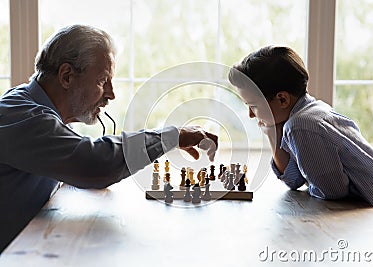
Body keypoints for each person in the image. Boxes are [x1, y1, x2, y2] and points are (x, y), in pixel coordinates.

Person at [0, 25, 218, 252]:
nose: (111, 93)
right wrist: (171, 137)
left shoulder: (29, 107)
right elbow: (94, 165)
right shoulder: (24, 117)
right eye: (103, 80)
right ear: (66, 76)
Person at [228, 45, 373, 219]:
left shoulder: (301, 125)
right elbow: (294, 180)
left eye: (253, 106)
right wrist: (273, 133)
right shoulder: (308, 112)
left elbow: (332, 191)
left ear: (282, 99)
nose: (250, 114)